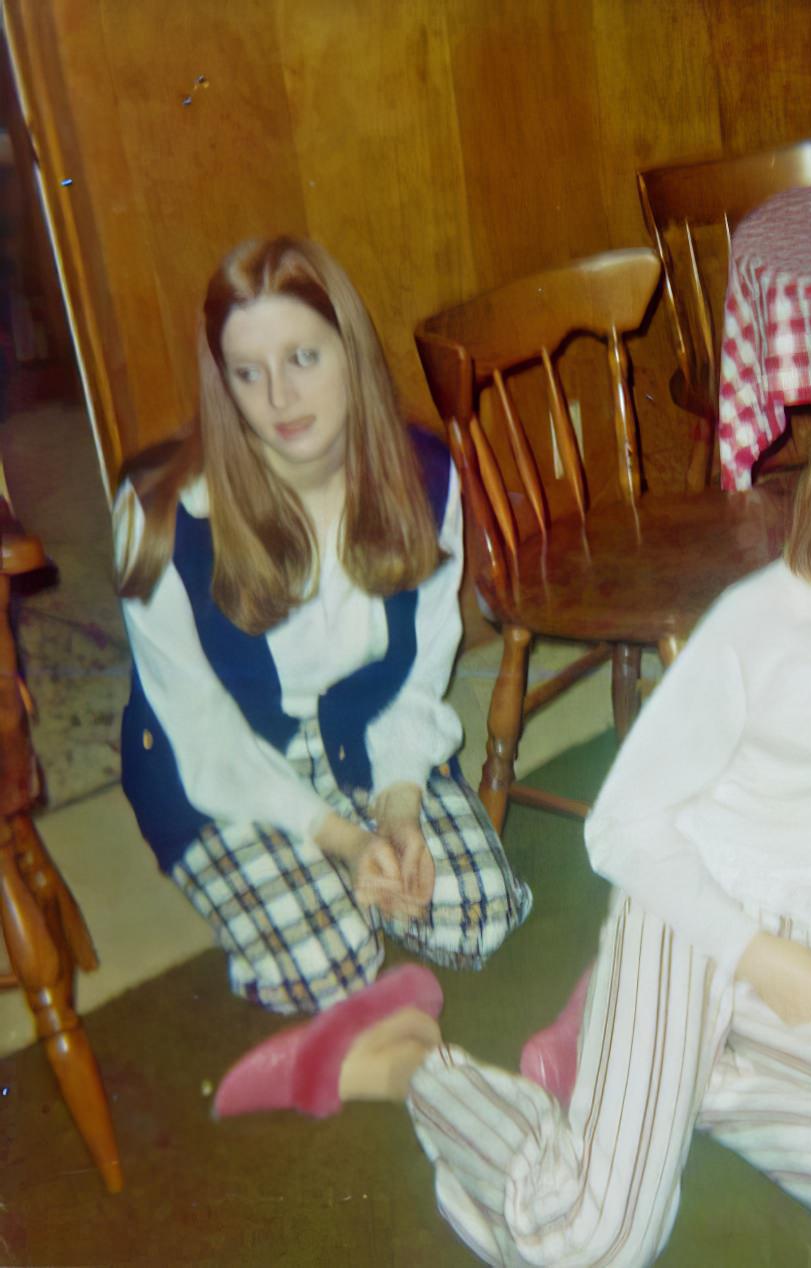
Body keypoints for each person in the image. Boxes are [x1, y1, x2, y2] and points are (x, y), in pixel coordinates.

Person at [213, 341, 811, 1263]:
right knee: (590, 1243)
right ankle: (413, 1059)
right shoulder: (761, 620)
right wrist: (752, 953)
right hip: (693, 905)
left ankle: (670, 1077)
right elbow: (622, 826)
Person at [114, 235, 531, 1016]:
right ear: (224, 385)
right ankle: (300, 885)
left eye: (303, 358)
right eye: (249, 372)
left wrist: (398, 810)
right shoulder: (158, 517)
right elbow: (203, 733)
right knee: (327, 968)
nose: (280, 398)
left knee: (481, 919)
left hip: (358, 731)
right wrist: (340, 838)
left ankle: (330, 885)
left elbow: (417, 673)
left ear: (350, 351)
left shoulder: (427, 473)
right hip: (224, 758)